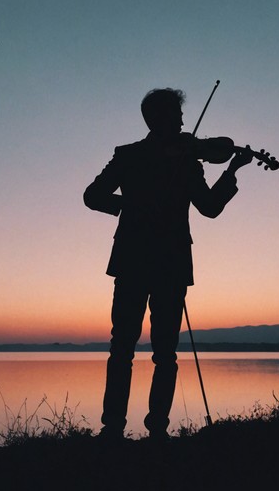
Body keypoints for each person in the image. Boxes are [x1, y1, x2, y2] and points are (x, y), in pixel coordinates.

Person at [83, 87, 256, 440]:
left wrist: (232, 169)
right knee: (128, 349)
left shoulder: (187, 159)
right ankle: (118, 429)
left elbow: (208, 207)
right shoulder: (129, 155)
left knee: (159, 351)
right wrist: (130, 207)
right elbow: (92, 195)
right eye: (177, 117)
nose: (182, 123)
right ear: (157, 119)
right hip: (144, 262)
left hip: (163, 264)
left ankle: (149, 430)